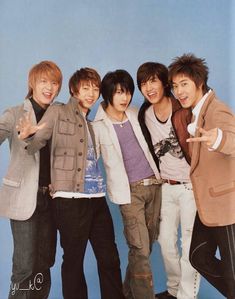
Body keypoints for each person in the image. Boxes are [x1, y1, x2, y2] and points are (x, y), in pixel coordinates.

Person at [18, 67, 124, 299]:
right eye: (86, 88)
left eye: (95, 89)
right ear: (75, 90)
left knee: (109, 257)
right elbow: (38, 141)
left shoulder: (93, 123)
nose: (91, 93)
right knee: (74, 261)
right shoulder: (57, 111)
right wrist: (28, 136)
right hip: (69, 200)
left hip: (96, 198)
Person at [168, 53, 235, 299]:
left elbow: (233, 140)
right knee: (198, 256)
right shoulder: (196, 113)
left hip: (227, 205)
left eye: (184, 84)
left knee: (233, 270)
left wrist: (217, 138)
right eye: (175, 86)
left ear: (199, 83)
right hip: (209, 205)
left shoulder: (217, 110)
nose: (179, 91)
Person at [92, 69, 162, 299]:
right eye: (119, 93)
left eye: (128, 92)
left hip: (155, 185)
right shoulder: (97, 126)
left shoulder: (135, 113)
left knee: (146, 247)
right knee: (140, 249)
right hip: (129, 193)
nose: (125, 98)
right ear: (108, 94)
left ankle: (126, 294)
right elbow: (89, 159)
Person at [137, 62, 200, 299]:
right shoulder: (145, 114)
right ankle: (174, 290)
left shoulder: (184, 109)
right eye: (143, 83)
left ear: (165, 83)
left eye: (153, 81)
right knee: (165, 243)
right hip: (166, 187)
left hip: (190, 188)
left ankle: (186, 295)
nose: (149, 87)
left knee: (189, 246)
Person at [0, 60, 62, 298]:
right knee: (24, 266)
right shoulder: (15, 113)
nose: (50, 87)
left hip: (52, 199)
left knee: (44, 264)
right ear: (32, 83)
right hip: (24, 198)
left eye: (54, 83)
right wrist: (20, 134)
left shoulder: (59, 114)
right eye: (44, 81)